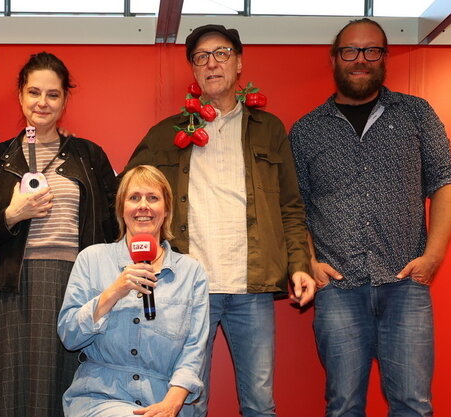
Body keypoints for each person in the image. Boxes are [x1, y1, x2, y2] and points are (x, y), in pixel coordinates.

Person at [124, 24, 316, 416]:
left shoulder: (270, 130)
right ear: (194, 70)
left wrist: (299, 265)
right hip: (189, 288)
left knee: (260, 403)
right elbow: (129, 197)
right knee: (189, 400)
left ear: (239, 63)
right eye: (201, 57)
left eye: (222, 54)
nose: (212, 63)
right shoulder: (167, 134)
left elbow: (291, 208)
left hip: (253, 289)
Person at [288, 18, 451, 417]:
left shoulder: (417, 114)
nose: (360, 60)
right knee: (343, 406)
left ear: (384, 57)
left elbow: (445, 183)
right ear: (334, 59)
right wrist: (309, 263)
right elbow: (296, 207)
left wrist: (433, 257)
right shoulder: (306, 131)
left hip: (406, 285)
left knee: (413, 405)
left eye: (371, 51)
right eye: (350, 51)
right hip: (339, 290)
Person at [0, 52, 118, 417]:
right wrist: (13, 215)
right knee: (9, 389)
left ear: (65, 100)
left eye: (53, 94)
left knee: (67, 385)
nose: (42, 102)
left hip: (76, 285)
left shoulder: (89, 156)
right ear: (20, 96)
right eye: (34, 92)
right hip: (13, 286)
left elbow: (113, 225)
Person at [57, 165, 210, 417]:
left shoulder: (191, 272)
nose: (143, 206)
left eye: (153, 198)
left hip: (167, 400)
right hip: (101, 397)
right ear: (121, 208)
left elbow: (194, 349)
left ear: (167, 209)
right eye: (134, 197)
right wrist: (114, 291)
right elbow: (70, 336)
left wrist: (172, 403)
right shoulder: (91, 259)